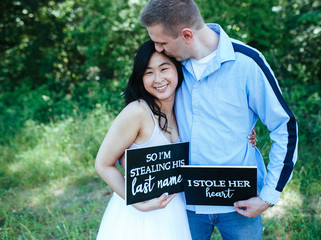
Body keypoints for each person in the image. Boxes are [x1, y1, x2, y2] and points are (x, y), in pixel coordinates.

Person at [140, 1, 298, 240]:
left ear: (186, 35)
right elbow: (145, 117)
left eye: (162, 42)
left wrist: (268, 196)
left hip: (239, 204)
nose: (158, 49)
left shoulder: (246, 62)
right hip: (183, 203)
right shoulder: (170, 69)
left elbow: (284, 127)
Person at [94, 40, 258, 240]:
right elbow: (103, 164)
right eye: (148, 72)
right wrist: (137, 202)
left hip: (178, 209)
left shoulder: (185, 106)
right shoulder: (137, 111)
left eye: (164, 69)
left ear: (178, 70)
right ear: (140, 78)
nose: (158, 79)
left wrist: (244, 134)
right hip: (142, 215)